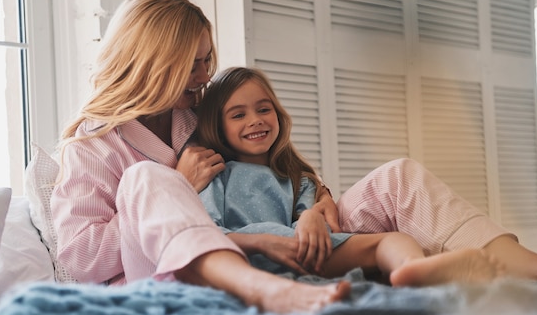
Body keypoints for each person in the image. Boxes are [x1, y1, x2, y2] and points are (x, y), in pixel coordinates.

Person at [50, 0, 351, 315]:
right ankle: (263, 291)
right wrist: (178, 185)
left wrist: (319, 200)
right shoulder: (94, 145)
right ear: (151, 66)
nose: (205, 75)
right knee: (146, 177)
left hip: (256, 254)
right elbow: (82, 258)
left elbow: (278, 166)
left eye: (207, 60)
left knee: (396, 179)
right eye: (192, 66)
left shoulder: (201, 115)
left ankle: (414, 273)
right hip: (158, 285)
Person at [195, 66, 504, 285]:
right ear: (217, 126)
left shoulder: (295, 176)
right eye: (238, 115)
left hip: (305, 251)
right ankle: (418, 271)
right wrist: (262, 241)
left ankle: (415, 270)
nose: (255, 121)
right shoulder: (216, 175)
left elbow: (312, 217)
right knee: (384, 248)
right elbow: (207, 234)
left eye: (264, 109)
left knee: (394, 240)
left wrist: (312, 216)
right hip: (245, 260)